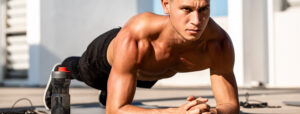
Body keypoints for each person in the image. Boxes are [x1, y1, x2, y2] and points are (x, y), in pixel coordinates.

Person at [43, 0, 239, 113]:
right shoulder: (136, 38)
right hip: (105, 57)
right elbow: (115, 110)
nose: (197, 21)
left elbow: (230, 105)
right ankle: (63, 69)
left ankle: (111, 89)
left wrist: (211, 112)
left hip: (146, 74)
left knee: (126, 84)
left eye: (203, 9)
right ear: (166, 5)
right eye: (186, 9)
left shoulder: (218, 44)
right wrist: (171, 113)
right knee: (81, 70)